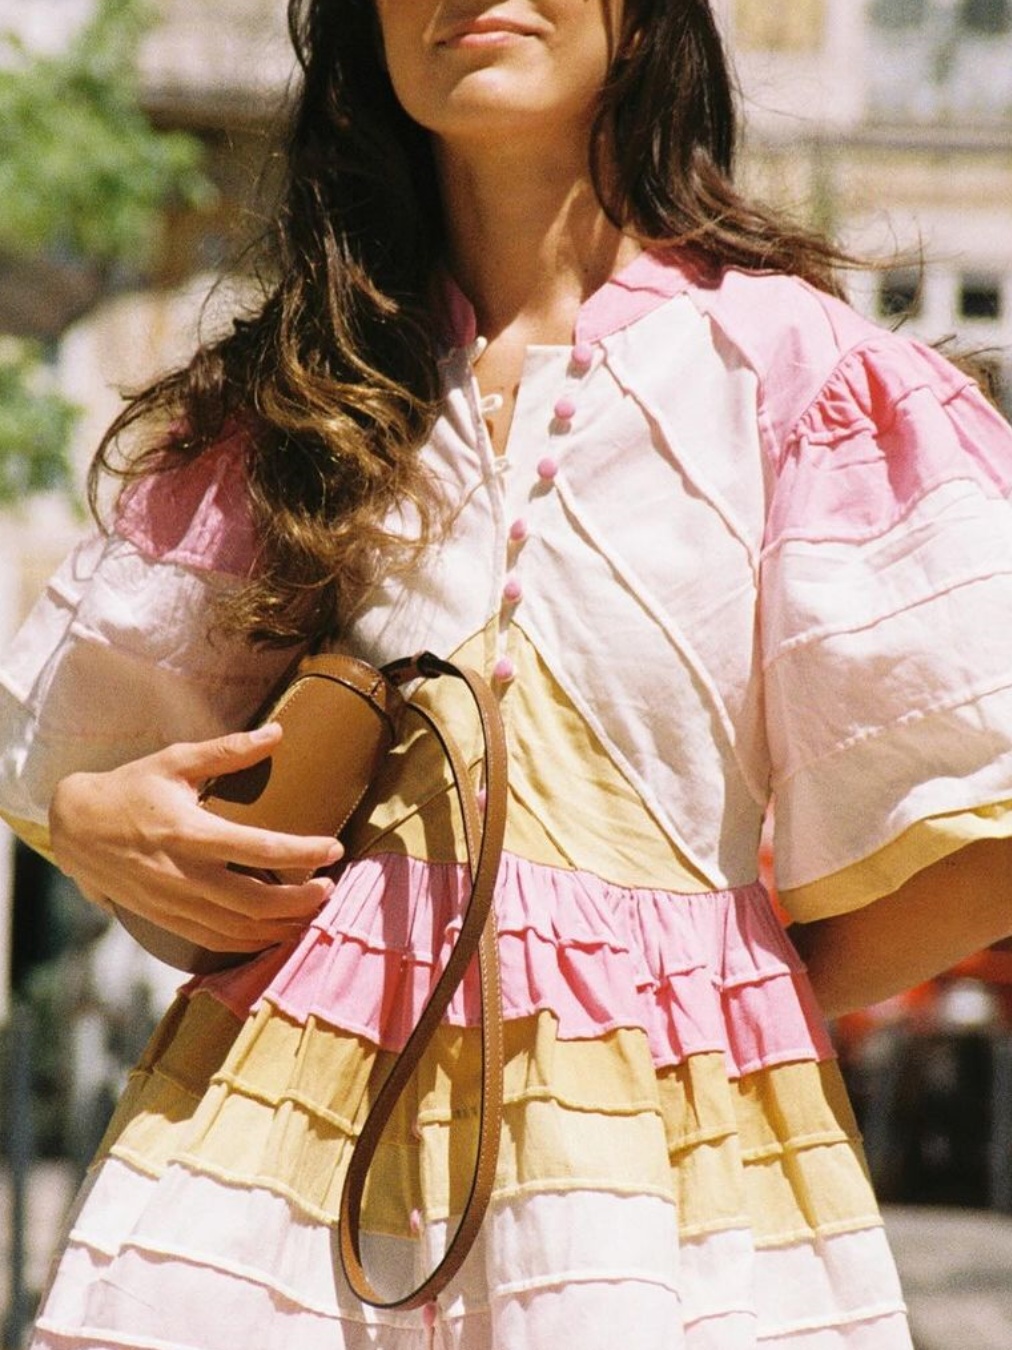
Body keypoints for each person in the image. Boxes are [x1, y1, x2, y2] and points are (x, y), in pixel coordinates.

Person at [2, 1, 1012, 1346]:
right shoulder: (302, 386)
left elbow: (984, 817)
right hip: (274, 1171)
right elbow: (96, 760)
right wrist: (92, 824)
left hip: (660, 1190)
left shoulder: (792, 369)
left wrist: (704, 985)